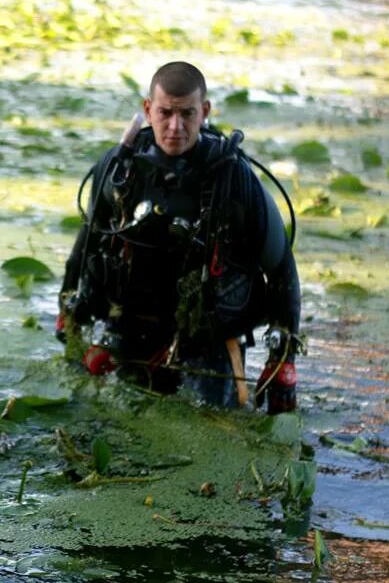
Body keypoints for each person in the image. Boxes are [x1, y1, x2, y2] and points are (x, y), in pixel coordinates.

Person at [57, 61, 302, 413]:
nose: (175, 126)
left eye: (187, 114)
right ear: (147, 110)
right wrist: (71, 318)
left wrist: (283, 360)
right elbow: (87, 246)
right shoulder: (118, 169)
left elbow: (281, 270)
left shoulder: (234, 178)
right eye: (165, 113)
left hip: (208, 341)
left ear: (204, 111)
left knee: (215, 430)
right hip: (129, 329)